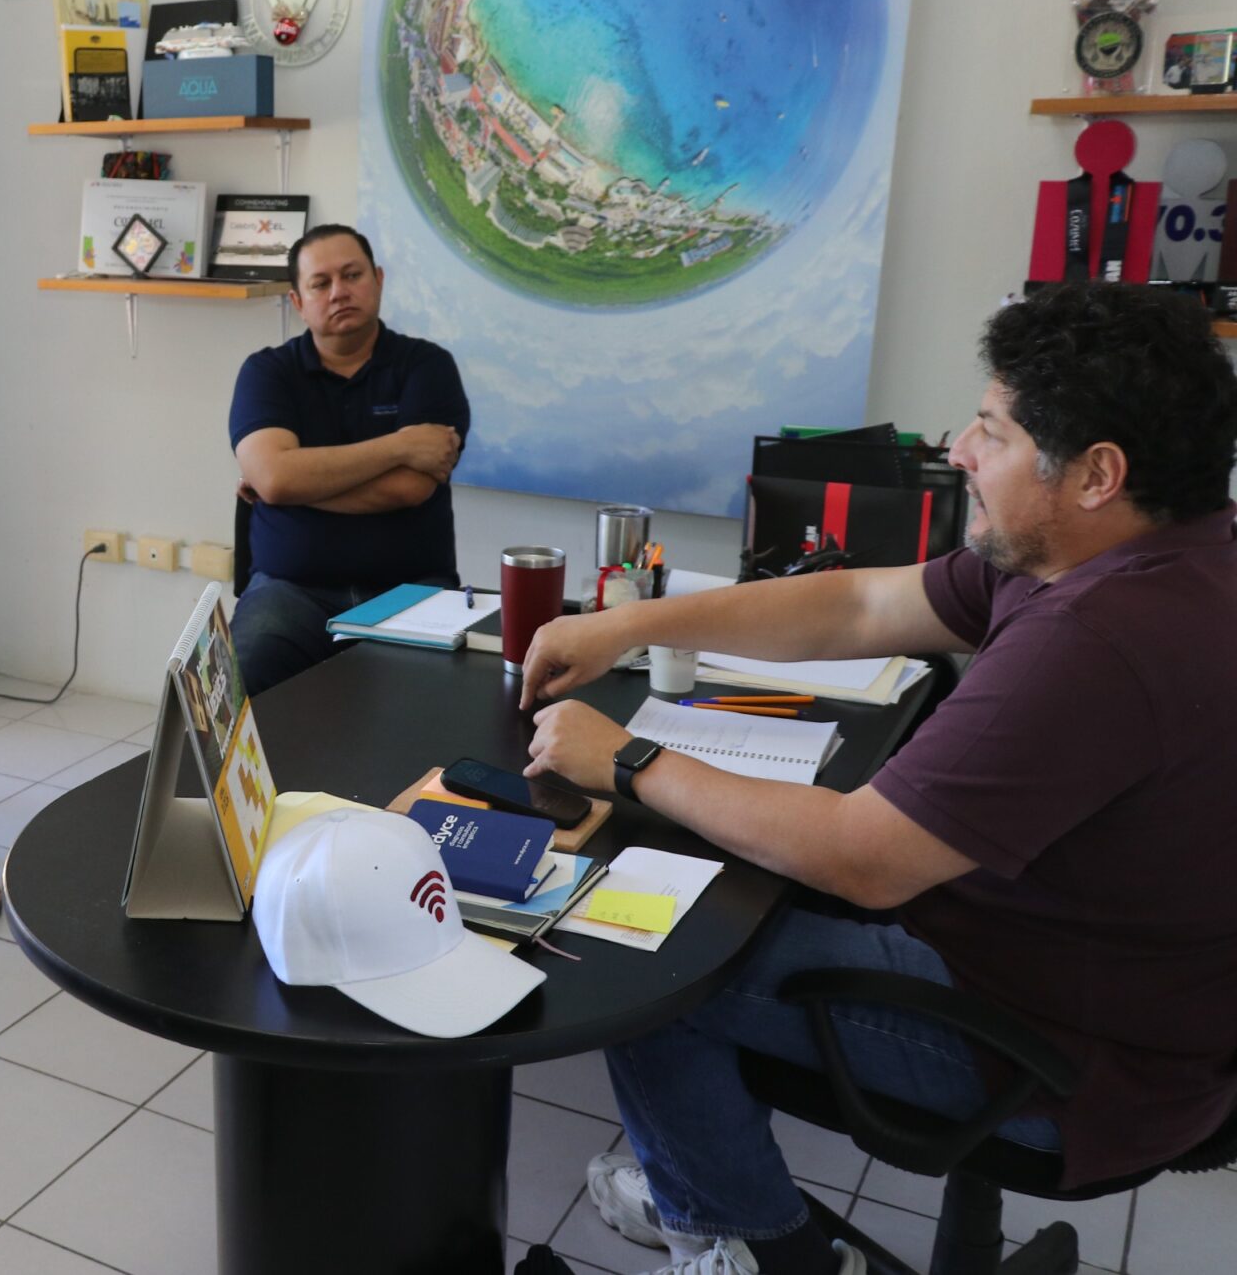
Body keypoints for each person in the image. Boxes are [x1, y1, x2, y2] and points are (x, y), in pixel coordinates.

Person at [515, 282, 1237, 1275]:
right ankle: (705, 1187)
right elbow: (856, 606)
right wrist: (626, 623)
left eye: (991, 430)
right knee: (712, 881)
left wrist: (625, 758)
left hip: (1062, 1059)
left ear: (1095, 474)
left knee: (652, 959)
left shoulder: (1101, 638)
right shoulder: (1128, 555)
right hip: (1079, 980)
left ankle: (760, 1249)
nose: (958, 450)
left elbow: (864, 857)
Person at [227, 224, 471, 694]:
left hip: (410, 587)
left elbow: (410, 488)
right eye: (320, 283)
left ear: (378, 280)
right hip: (289, 589)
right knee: (242, 680)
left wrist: (292, 483)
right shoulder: (267, 372)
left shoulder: (427, 366)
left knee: (426, 704)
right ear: (298, 301)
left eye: (352, 275)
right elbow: (275, 478)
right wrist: (399, 446)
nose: (339, 292)